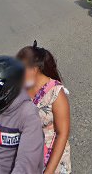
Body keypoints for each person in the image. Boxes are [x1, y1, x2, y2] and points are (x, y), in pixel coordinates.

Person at [17, 42, 71, 174]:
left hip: (52, 161)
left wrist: (49, 171)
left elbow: (62, 134)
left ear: (34, 69)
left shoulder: (56, 94)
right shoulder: (21, 88)